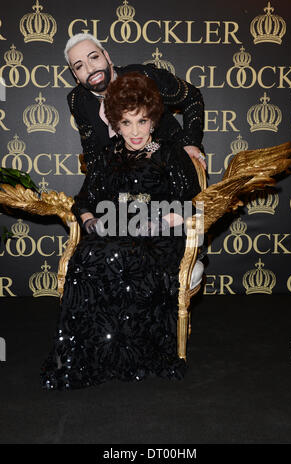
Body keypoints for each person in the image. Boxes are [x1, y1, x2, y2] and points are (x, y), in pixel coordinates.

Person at [41, 72, 201, 390]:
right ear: (116, 123)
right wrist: (90, 221)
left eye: (141, 121)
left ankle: (130, 352)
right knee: (85, 255)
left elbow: (191, 207)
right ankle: (90, 351)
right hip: (115, 230)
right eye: (126, 123)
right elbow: (84, 201)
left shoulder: (171, 155)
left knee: (117, 254)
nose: (135, 131)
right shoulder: (107, 157)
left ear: (153, 121)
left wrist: (156, 222)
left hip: (160, 237)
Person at [64, 33, 206, 170]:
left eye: (94, 57)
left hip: (169, 165)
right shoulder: (77, 100)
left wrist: (190, 143)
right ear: (75, 75)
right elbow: (92, 151)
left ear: (107, 56)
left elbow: (192, 97)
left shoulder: (143, 77)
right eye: (79, 66)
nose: (90, 68)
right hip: (123, 178)